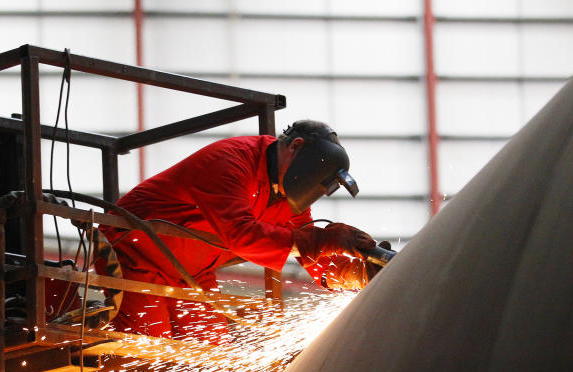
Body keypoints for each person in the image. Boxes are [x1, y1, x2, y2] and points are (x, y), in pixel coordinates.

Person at [102, 120, 378, 344]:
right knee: (153, 350)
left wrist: (357, 273)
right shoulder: (230, 162)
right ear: (295, 147)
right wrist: (320, 240)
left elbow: (309, 248)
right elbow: (241, 233)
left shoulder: (286, 194)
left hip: (190, 274)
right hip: (135, 256)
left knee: (211, 351)